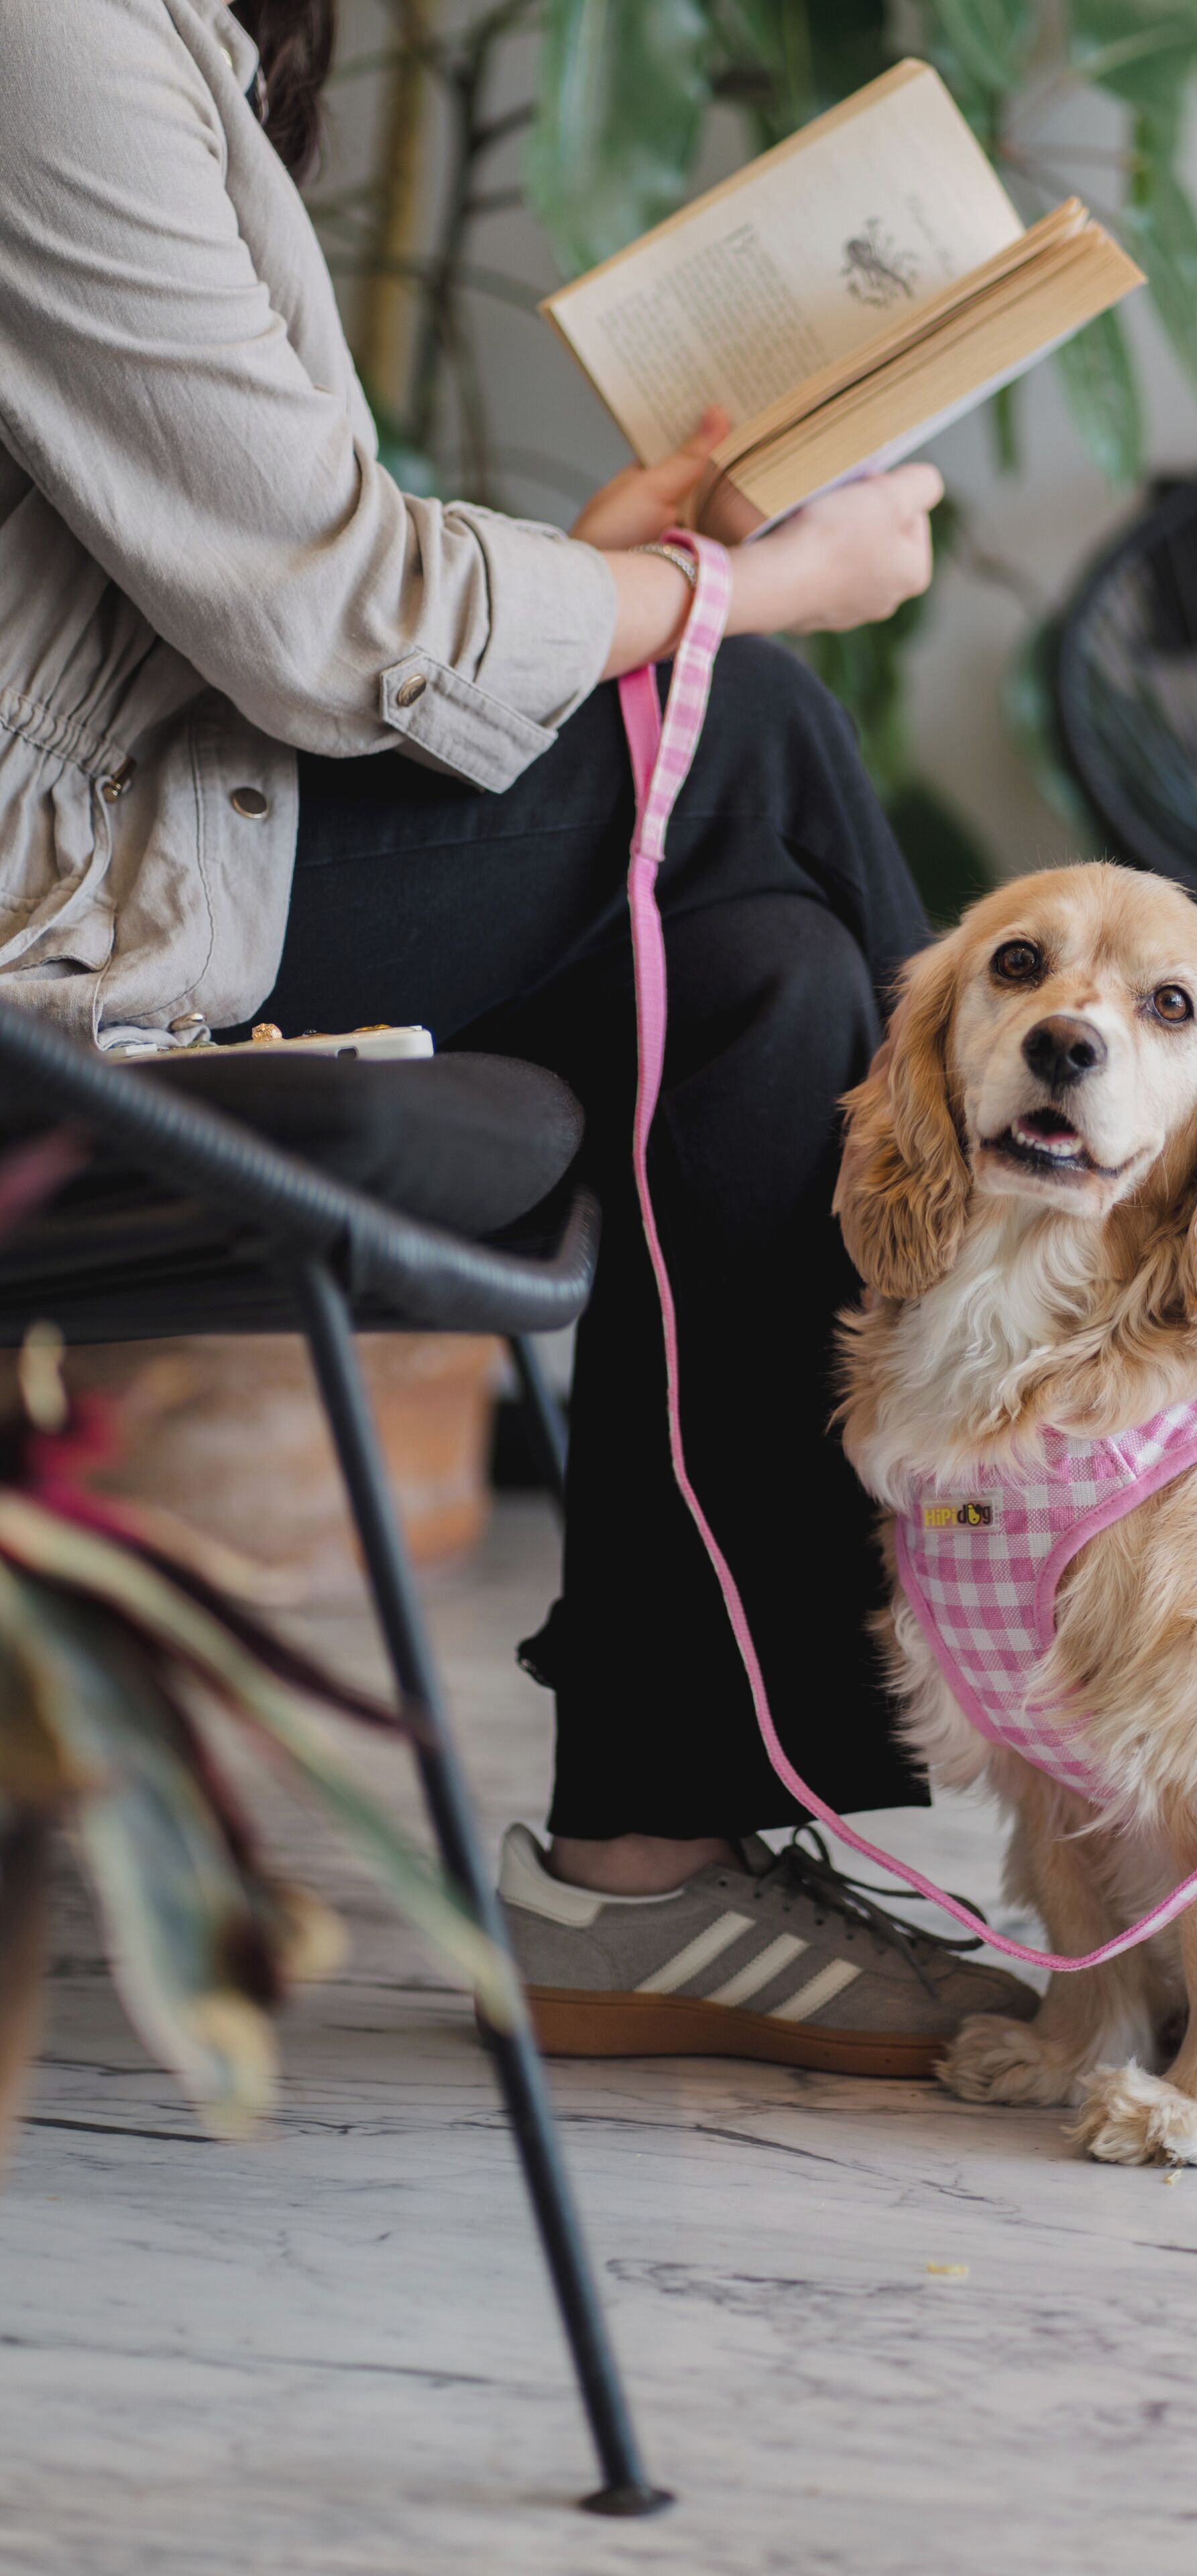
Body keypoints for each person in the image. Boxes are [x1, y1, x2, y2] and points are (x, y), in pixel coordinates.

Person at [0, 0, 1037, 2065]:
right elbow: (327, 619)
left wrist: (615, 575)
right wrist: (736, 596)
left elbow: (213, 616)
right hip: (53, 910)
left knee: (764, 988)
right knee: (746, 728)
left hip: (148, 821)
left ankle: (644, 1875)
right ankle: (1122, 1476)